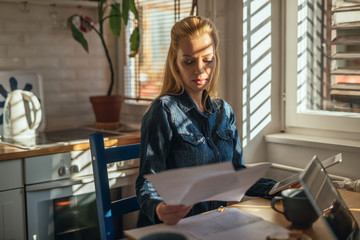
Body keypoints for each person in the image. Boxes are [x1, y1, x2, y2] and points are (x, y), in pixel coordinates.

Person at [135, 15, 277, 228]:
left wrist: (279, 188)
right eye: (189, 61)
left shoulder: (224, 112)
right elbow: (147, 183)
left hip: (212, 225)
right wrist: (159, 209)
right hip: (171, 229)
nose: (200, 70)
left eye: (207, 60)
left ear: (215, 59)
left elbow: (235, 175)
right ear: (175, 62)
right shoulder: (163, 110)